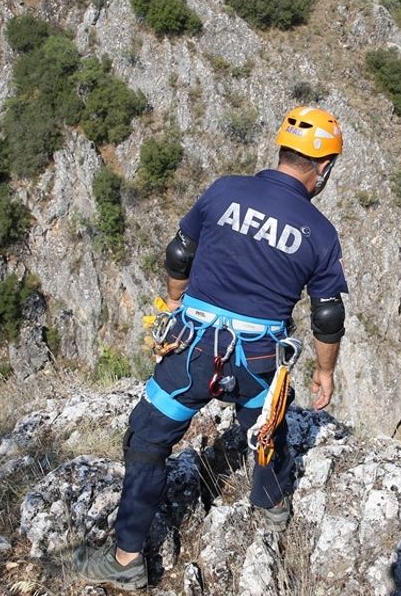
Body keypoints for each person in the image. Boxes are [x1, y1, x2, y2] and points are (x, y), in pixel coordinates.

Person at [76, 106, 349, 590]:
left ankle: (126, 560)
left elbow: (180, 251)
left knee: (147, 438)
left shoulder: (225, 191)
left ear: (281, 150)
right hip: (259, 362)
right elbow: (327, 316)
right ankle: (271, 505)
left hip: (193, 350)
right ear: (323, 168)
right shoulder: (320, 234)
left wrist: (176, 303)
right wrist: (324, 373)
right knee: (266, 431)